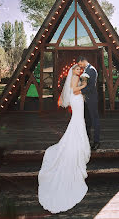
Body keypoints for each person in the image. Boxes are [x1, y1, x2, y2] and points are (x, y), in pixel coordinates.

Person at [38, 64, 91, 214]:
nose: (78, 71)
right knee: (78, 122)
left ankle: (79, 142)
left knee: (79, 121)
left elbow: (74, 91)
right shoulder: (75, 78)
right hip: (76, 100)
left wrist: (82, 88)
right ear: (72, 71)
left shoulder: (75, 77)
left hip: (77, 101)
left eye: (79, 70)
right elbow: (74, 90)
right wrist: (84, 84)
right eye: (76, 69)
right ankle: (76, 144)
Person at [77, 56, 100, 150]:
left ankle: (97, 141)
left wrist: (80, 91)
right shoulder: (86, 70)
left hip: (92, 99)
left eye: (80, 63)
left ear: (83, 61)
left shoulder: (92, 70)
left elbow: (91, 87)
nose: (80, 66)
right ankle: (88, 138)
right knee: (88, 120)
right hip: (86, 100)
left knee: (95, 120)